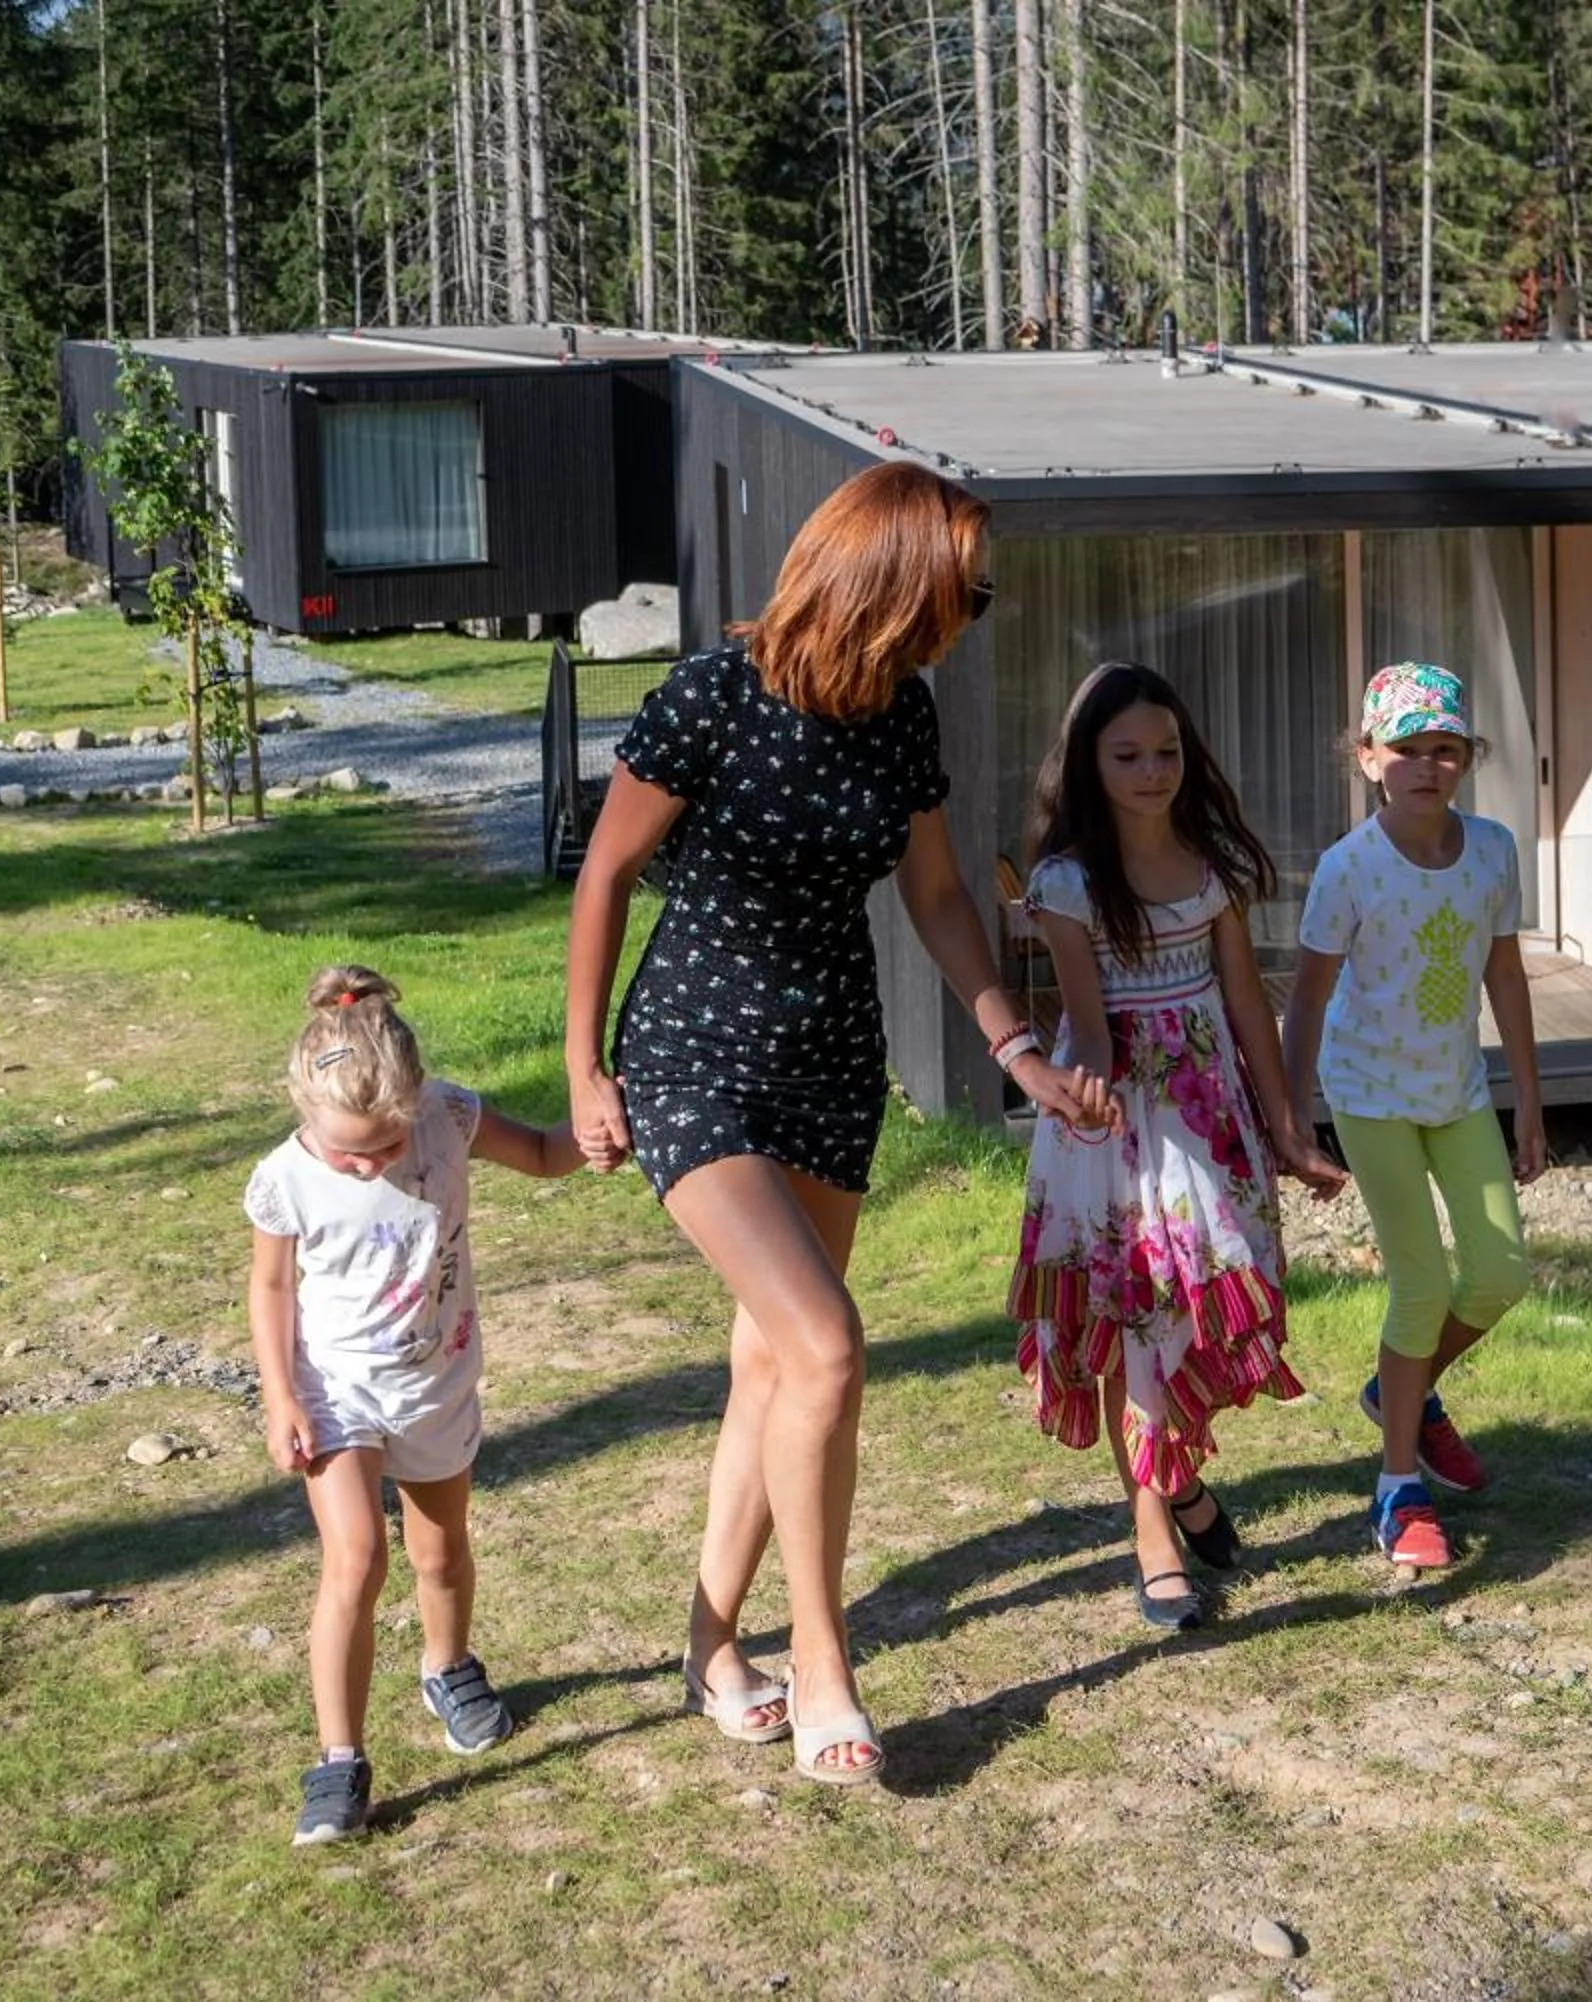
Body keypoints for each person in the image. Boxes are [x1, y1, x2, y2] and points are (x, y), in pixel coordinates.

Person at [565, 461, 1101, 1786]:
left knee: (776, 1364)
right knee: (828, 1344)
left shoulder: (902, 713)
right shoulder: (709, 697)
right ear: (893, 583)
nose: (972, 615)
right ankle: (822, 1658)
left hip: (830, 1064)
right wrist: (584, 1069)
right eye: (965, 592)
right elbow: (607, 871)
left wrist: (1015, 1046)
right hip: (694, 1057)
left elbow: (936, 894)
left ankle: (709, 1646)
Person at [1007, 662, 1346, 1630]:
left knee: (1190, 1316)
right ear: (1088, 762)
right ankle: (1154, 1529)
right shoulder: (1067, 883)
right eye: (1127, 756)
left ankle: (1180, 1477)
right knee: (1131, 1317)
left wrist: (1289, 1128)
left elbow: (1244, 1006)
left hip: (1209, 1122)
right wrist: (1088, 1099)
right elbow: (1089, 1028)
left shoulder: (1214, 869)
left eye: (1166, 752)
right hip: (1111, 1128)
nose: (1151, 771)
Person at [244, 965, 584, 1846]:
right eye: (347, 1154)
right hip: (336, 1390)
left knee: (440, 1552)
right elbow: (271, 1288)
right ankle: (338, 1760)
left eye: (386, 1147)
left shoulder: (449, 1118)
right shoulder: (286, 1179)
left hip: (436, 1380)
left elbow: (544, 1154)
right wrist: (280, 1394)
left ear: (418, 1102)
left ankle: (448, 1665)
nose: (368, 1166)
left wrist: (602, 1124)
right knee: (356, 1559)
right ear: (304, 1111)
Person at [1280, 662, 1545, 1574]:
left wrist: (1530, 1102)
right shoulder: (1347, 869)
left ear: (1468, 758)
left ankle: (1403, 1390)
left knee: (1502, 1272)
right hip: (1368, 1095)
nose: (1428, 766)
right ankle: (1399, 1487)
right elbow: (1307, 1000)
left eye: (1447, 749)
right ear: (1367, 758)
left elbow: (1505, 975)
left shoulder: (1493, 850)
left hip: (1456, 1091)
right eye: (1407, 748)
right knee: (1422, 1288)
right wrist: (1293, 1121)